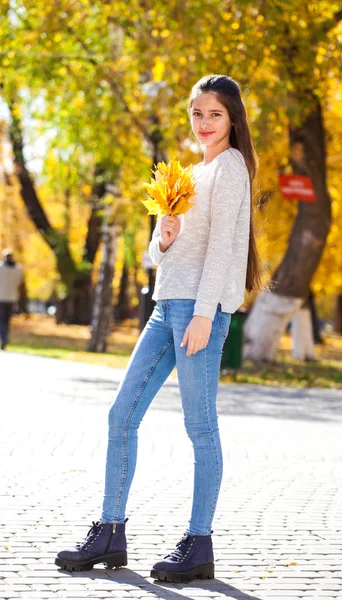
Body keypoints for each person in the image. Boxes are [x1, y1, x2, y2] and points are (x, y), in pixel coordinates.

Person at [55, 74, 263, 582]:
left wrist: (204, 313)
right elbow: (159, 253)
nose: (204, 123)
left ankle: (199, 542)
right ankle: (109, 531)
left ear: (232, 118)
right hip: (164, 305)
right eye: (196, 114)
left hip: (198, 311)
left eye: (214, 114)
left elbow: (222, 250)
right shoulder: (189, 173)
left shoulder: (232, 167)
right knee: (120, 416)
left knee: (200, 427)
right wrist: (164, 237)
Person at [0, 249, 23, 350]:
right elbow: (19, 283)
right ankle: (5, 337)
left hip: (1, 297)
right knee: (7, 319)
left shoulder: (0, 267)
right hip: (12, 298)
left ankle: (3, 337)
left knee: (1, 320)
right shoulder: (18, 269)